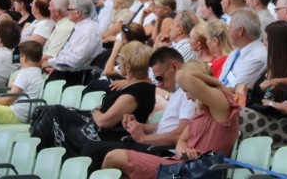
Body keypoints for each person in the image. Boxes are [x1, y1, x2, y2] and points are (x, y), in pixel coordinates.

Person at [102, 60, 239, 179]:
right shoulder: (201, 111)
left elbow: (181, 75)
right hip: (181, 167)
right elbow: (182, 140)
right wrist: (184, 152)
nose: (187, 97)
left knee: (113, 158)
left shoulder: (220, 105)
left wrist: (214, 82)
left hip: (195, 172)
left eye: (186, 90)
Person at [32, 41, 156, 158]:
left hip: (104, 135)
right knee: (50, 111)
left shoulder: (135, 93)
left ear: (128, 68)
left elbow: (104, 122)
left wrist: (94, 111)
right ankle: (36, 154)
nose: (118, 63)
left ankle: (35, 154)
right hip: (100, 128)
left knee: (54, 113)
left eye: (120, 60)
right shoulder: (137, 85)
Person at [81, 48, 197, 171]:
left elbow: (179, 135)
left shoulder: (188, 94)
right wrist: (139, 126)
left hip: (162, 151)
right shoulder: (178, 91)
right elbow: (168, 125)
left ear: (174, 66)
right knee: (93, 146)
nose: (159, 84)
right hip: (154, 146)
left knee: (94, 149)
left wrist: (143, 138)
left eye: (160, 78)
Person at [43, 0, 103, 85]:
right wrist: (55, 66)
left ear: (78, 12)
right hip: (65, 71)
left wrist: (50, 62)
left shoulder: (88, 31)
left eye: (69, 9)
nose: (67, 12)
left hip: (74, 76)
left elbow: (76, 60)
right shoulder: (81, 28)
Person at [250, 21, 287, 105]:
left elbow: (277, 101)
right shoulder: (275, 64)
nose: (264, 44)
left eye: (267, 40)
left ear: (277, 44)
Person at [218, 9, 267, 89]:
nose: (227, 30)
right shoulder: (234, 53)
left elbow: (234, 91)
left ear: (240, 31)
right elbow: (220, 82)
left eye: (230, 27)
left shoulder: (259, 56)